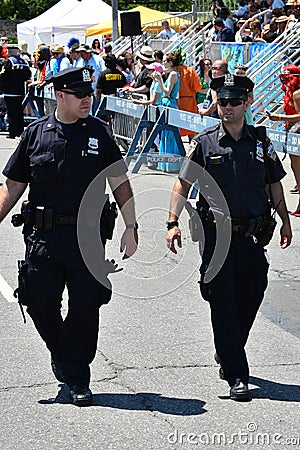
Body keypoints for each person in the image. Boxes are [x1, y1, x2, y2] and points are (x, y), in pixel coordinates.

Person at [0, 67, 138, 406]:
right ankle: (62, 353)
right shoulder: (35, 134)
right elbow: (13, 187)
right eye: (79, 94)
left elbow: (119, 182)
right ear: (60, 96)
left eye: (88, 92)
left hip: (88, 238)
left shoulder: (100, 133)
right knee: (38, 302)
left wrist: (131, 227)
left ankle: (77, 377)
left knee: (86, 309)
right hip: (44, 238)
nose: (86, 98)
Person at [166, 74, 292, 401]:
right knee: (222, 300)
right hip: (217, 236)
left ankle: (229, 348)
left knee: (252, 292)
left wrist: (285, 219)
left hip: (253, 234)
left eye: (234, 102)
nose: (228, 108)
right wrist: (172, 222)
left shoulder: (261, 143)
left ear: (246, 103)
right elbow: (184, 184)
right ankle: (237, 374)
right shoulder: (206, 143)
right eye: (222, 102)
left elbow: (274, 184)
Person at [268, 65, 300, 217]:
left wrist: (278, 117)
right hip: (293, 129)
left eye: (286, 78)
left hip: (299, 130)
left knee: (298, 169)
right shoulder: (295, 90)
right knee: (296, 168)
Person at [153, 51, 182, 172]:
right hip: (168, 104)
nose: (163, 63)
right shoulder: (173, 74)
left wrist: (159, 79)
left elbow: (167, 92)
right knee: (165, 134)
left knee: (170, 135)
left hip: (169, 104)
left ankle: (171, 165)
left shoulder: (173, 75)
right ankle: (167, 164)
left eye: (165, 61)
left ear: (170, 62)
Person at [0, 45, 31, 139]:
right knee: (19, 112)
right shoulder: (23, 62)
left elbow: (3, 75)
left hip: (9, 91)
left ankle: (13, 132)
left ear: (10, 52)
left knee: (11, 112)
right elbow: (27, 75)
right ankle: (20, 131)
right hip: (20, 91)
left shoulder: (9, 62)